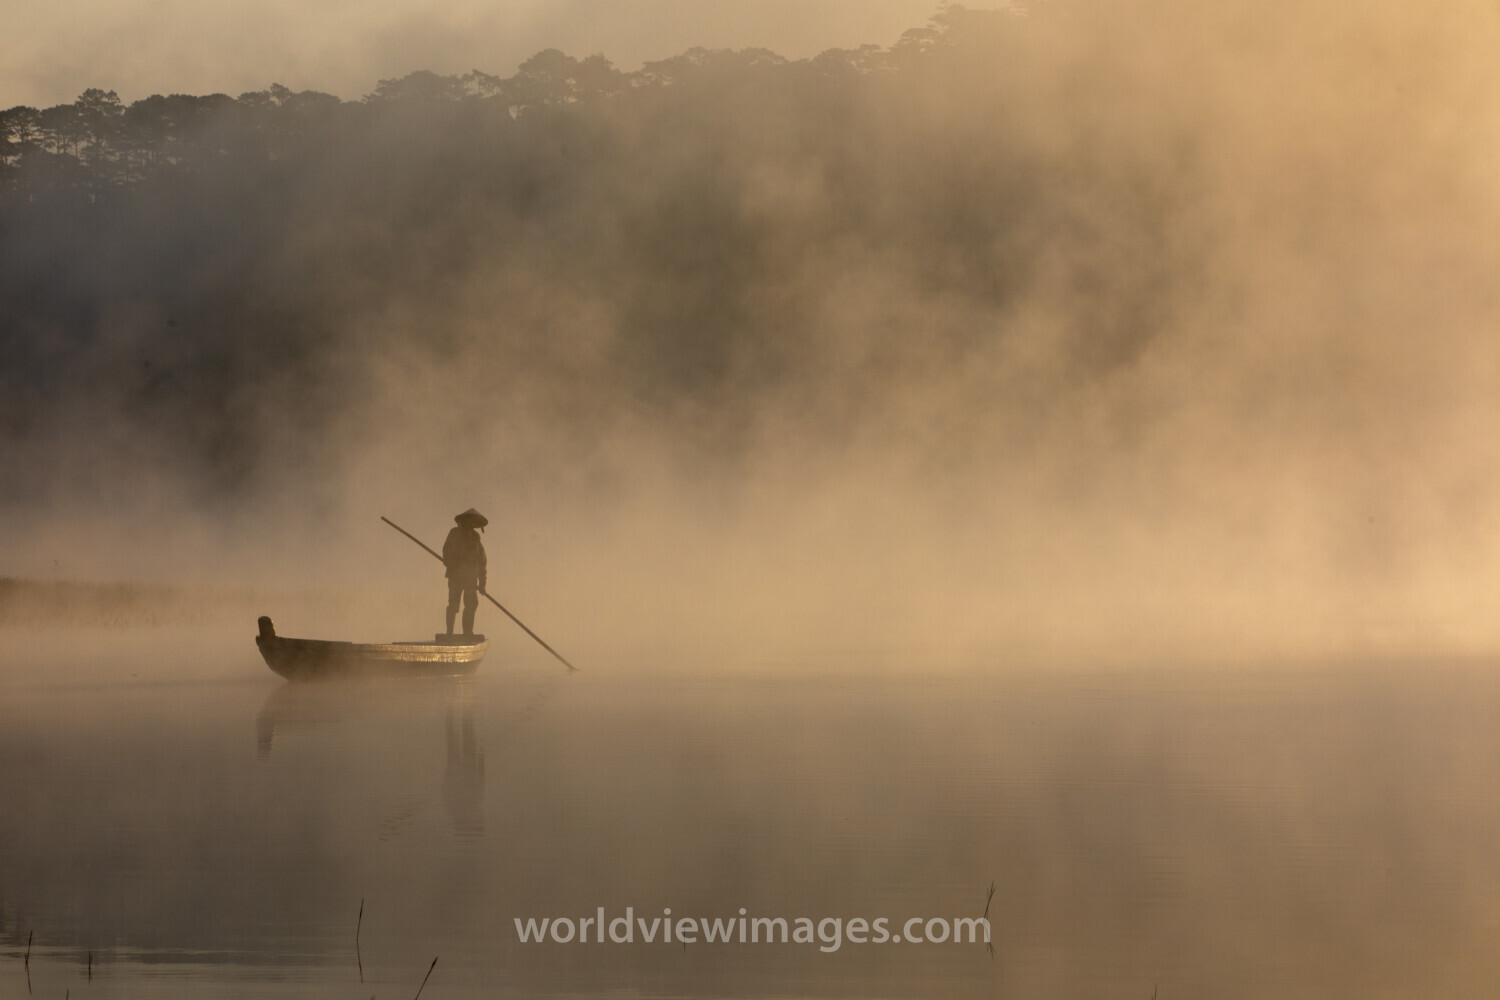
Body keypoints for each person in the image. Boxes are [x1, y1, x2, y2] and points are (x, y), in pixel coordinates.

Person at [442, 508, 488, 637]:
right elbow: (446, 550)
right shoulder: (454, 534)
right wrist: (450, 563)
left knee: (471, 604)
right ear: (464, 521)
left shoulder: (476, 540)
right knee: (453, 604)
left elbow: (482, 563)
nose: (470, 523)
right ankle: (449, 633)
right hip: (455, 576)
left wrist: (482, 584)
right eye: (468, 521)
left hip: (470, 579)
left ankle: (467, 633)